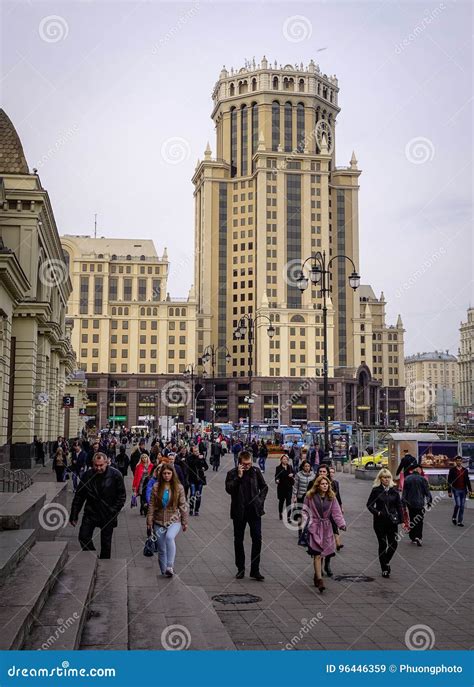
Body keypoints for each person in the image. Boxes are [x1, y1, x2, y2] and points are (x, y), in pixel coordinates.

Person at [69, 452, 126, 559]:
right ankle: (92, 557)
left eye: (101, 465)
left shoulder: (116, 475)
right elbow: (79, 496)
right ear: (92, 464)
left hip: (107, 513)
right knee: (83, 536)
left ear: (106, 463)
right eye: (96, 465)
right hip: (91, 512)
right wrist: (74, 514)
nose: (98, 468)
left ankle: (104, 563)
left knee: (106, 543)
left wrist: (114, 510)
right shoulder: (87, 475)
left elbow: (121, 496)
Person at [225, 450, 268, 580]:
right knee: (238, 540)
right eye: (245, 464)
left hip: (254, 511)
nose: (247, 466)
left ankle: (255, 570)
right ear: (239, 463)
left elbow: (264, 487)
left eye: (249, 464)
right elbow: (229, 489)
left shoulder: (256, 472)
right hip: (239, 511)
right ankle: (240, 568)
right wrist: (239, 476)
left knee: (257, 538)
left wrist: (260, 501)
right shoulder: (232, 473)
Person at [303, 475, 346, 593]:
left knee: (322, 554)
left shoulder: (332, 497)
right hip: (314, 526)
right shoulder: (310, 496)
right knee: (316, 554)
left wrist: (342, 524)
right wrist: (308, 523)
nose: (325, 486)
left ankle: (317, 575)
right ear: (318, 485)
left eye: (326, 484)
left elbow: (336, 512)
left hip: (326, 528)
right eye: (322, 484)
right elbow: (305, 511)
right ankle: (320, 579)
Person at [146, 465, 188, 576]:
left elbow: (183, 505)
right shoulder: (156, 486)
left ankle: (170, 566)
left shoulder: (179, 487)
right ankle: (164, 570)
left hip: (174, 520)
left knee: (170, 537)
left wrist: (184, 522)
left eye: (169, 473)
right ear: (161, 474)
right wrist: (149, 520)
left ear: (172, 474)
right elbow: (151, 505)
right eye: (164, 473)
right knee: (161, 549)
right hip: (158, 521)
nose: (166, 476)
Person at [366, 468, 403, 578]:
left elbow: (399, 506)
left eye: (388, 477)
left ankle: (385, 561)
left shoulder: (394, 490)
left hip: (392, 521)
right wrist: (377, 512)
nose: (386, 479)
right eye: (384, 477)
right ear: (380, 479)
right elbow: (369, 505)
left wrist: (402, 520)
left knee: (393, 544)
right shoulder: (376, 490)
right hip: (379, 522)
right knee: (383, 544)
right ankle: (384, 569)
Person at [402, 466, 432, 546]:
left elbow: (404, 492)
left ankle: (412, 536)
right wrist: (429, 502)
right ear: (419, 471)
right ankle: (419, 536)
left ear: (412, 471)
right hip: (420, 503)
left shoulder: (407, 479)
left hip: (410, 503)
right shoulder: (423, 479)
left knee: (412, 519)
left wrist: (403, 504)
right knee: (420, 520)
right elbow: (427, 492)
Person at [447, 455, 472, 527]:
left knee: (462, 506)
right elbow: (449, 481)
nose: (459, 462)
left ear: (462, 462)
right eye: (457, 461)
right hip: (456, 489)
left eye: (460, 461)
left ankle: (460, 521)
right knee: (458, 504)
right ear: (455, 461)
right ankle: (454, 517)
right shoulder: (452, 470)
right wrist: (449, 491)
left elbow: (467, 480)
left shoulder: (465, 470)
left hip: (463, 490)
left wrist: (470, 490)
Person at [292, 460, 315, 535]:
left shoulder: (313, 475)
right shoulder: (298, 475)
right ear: (302, 467)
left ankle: (308, 530)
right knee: (301, 514)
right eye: (305, 466)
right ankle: (300, 530)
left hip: (310, 497)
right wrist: (294, 496)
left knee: (309, 514)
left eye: (308, 466)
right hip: (301, 497)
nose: (307, 468)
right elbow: (295, 486)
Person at [186, 446, 208, 516]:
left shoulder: (201, 457)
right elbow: (192, 464)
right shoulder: (190, 458)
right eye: (195, 451)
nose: (197, 452)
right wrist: (198, 458)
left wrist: (204, 468)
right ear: (192, 452)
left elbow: (206, 466)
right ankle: (191, 508)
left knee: (198, 495)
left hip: (200, 479)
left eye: (197, 451)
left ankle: (196, 510)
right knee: (192, 494)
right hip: (192, 479)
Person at [274, 455, 294, 523]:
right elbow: (276, 476)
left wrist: (292, 474)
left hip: (289, 487)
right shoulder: (278, 468)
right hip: (281, 487)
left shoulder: (290, 467)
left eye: (286, 459)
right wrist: (277, 480)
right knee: (281, 501)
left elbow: (294, 473)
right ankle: (280, 513)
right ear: (281, 460)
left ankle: (288, 517)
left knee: (288, 502)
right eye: (284, 459)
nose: (285, 460)